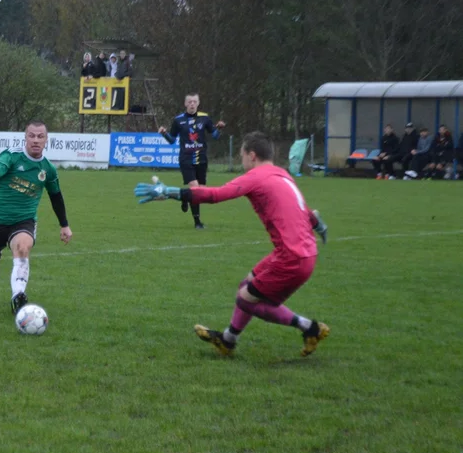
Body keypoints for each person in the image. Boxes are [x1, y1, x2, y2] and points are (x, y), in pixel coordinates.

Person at [135, 131, 330, 357]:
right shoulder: (282, 174)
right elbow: (304, 210)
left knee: (246, 300)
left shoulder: (257, 176)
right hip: (301, 252)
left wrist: (170, 192)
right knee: (245, 286)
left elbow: (216, 194)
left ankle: (310, 328)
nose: (242, 160)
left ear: (252, 155)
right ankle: (228, 340)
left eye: (242, 155)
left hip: (292, 256)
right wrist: (319, 225)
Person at [0, 120, 72, 313]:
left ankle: (18, 295)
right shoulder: (11, 157)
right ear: (25, 138)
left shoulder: (47, 169)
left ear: (46, 140)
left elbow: (56, 197)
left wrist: (64, 225)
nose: (36, 140)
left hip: (24, 220)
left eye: (40, 136)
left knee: (22, 247)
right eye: (32, 136)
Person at [158, 93, 226, 229]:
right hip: (186, 159)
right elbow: (172, 140)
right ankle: (197, 223)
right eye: (189, 102)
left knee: (202, 192)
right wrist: (164, 133)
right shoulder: (178, 120)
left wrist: (219, 128)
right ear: (185, 104)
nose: (192, 104)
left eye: (194, 101)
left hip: (201, 159)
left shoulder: (204, 118)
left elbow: (215, 136)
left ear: (198, 103)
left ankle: (184, 197)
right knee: (195, 188)